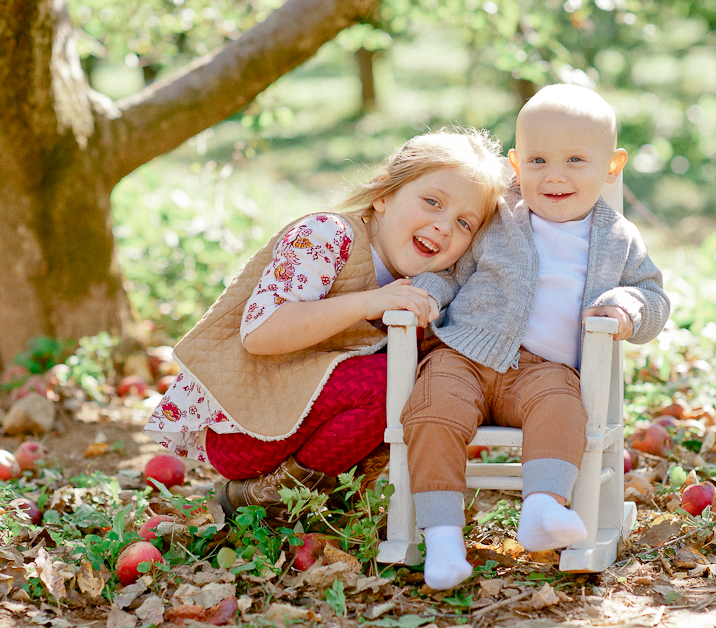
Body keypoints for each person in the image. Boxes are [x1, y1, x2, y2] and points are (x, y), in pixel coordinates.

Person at [143, 127, 506, 526]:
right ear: (383, 195)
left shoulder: (429, 284)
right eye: (432, 202)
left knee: (419, 381)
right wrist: (365, 303)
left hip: (301, 425)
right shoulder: (327, 236)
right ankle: (274, 496)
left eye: (464, 223)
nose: (443, 226)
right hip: (246, 427)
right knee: (393, 378)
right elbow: (260, 332)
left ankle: (307, 499)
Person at [405, 84, 672, 590]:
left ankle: (543, 509)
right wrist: (424, 293)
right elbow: (450, 268)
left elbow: (652, 295)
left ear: (611, 165)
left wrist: (627, 309)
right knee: (433, 410)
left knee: (564, 407)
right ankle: (442, 539)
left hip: (544, 370)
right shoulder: (497, 218)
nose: (554, 175)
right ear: (515, 163)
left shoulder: (617, 238)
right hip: (462, 353)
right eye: (538, 160)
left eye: (576, 159)